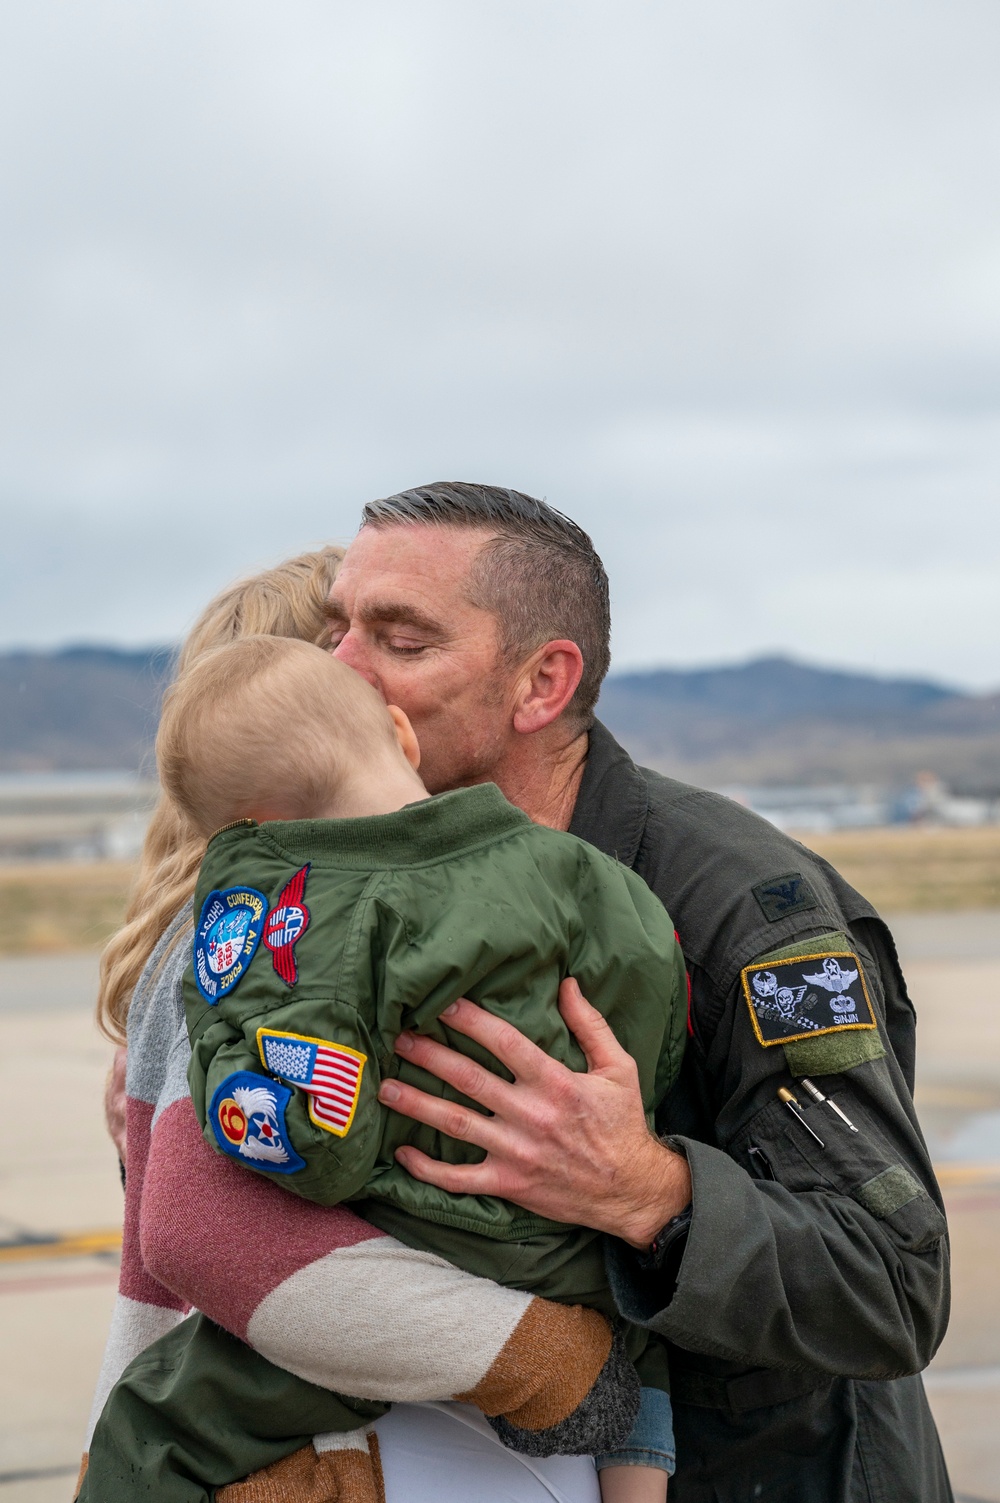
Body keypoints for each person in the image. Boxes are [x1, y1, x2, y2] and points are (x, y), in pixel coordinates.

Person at [92, 482, 952, 1501]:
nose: (343, 674)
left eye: (399, 641)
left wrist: (648, 1192)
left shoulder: (746, 914)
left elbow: (890, 1284)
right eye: (337, 632)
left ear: (540, 685)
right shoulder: (358, 889)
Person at [81, 549, 656, 1503]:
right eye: (355, 650)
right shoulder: (278, 931)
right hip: (320, 1449)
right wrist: (551, 1354)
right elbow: (202, 1232)